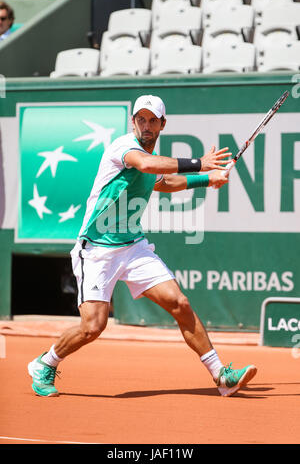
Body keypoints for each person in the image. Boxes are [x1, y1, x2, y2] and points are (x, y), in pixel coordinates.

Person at [28, 95, 257, 398]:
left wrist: (207, 179)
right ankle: (45, 363)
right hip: (96, 250)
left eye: (152, 120)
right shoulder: (124, 148)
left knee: (180, 303)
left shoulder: (152, 157)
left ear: (163, 124)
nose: (146, 125)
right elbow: (147, 165)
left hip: (133, 247)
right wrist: (200, 163)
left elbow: (162, 182)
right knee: (93, 327)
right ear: (133, 122)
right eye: (141, 119)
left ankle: (221, 376)